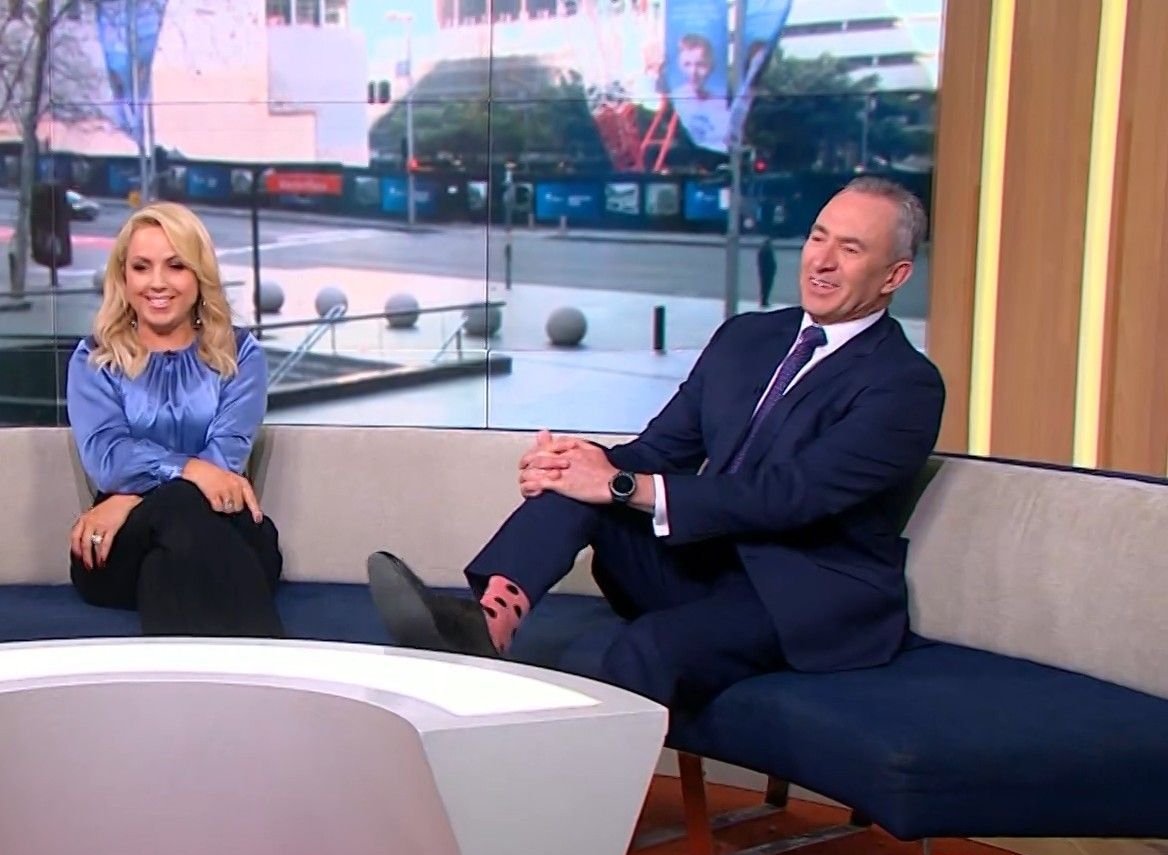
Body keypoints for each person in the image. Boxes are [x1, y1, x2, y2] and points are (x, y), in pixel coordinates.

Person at [367, 177, 944, 712]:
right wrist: (574, 464)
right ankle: (488, 623)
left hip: (801, 592)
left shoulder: (904, 385)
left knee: (649, 646)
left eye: (850, 249)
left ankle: (577, 791)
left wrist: (620, 483)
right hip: (702, 560)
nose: (822, 259)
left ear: (893, 276)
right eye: (818, 237)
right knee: (581, 479)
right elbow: (661, 450)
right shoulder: (748, 336)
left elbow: (788, 495)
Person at [65, 201, 284, 637]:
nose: (157, 283)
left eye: (176, 266)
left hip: (221, 520)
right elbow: (109, 459)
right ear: (123, 277)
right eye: (141, 267)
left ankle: (172, 678)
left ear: (199, 275)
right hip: (117, 542)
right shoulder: (95, 358)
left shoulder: (240, 354)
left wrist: (133, 497)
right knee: (179, 512)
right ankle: (273, 661)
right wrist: (189, 470)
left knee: (167, 562)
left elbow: (225, 459)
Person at [757, 235, 777, 308]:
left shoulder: (763, 250)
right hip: (766, 272)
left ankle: (764, 301)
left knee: (765, 287)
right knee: (766, 287)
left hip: (765, 271)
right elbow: (767, 262)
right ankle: (764, 301)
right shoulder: (766, 250)